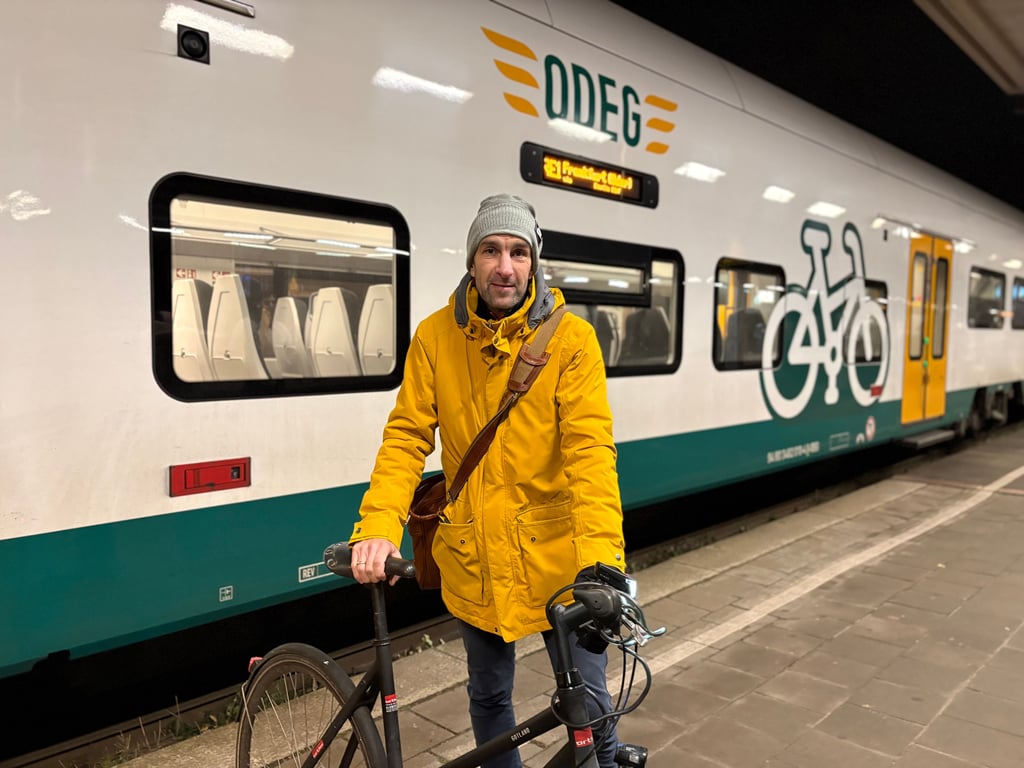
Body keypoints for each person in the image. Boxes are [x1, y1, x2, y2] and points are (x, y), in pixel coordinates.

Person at [348, 193, 626, 768]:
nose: (505, 266)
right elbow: (406, 438)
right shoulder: (434, 338)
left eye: (519, 252)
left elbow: (590, 456)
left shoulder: (572, 341)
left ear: (534, 262)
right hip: (474, 556)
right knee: (490, 696)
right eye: (492, 250)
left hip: (559, 560)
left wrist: (602, 563)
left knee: (593, 709)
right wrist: (377, 526)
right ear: (472, 260)